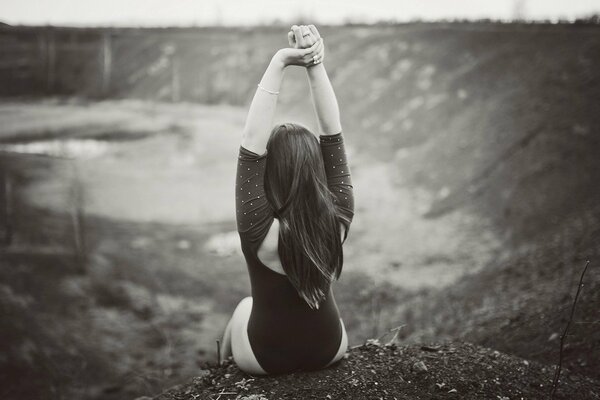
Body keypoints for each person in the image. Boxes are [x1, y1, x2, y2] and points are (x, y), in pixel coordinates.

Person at [219, 24, 354, 375]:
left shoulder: (256, 227)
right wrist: (314, 63)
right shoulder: (338, 214)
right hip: (330, 348)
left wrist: (279, 62)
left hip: (266, 360)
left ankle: (219, 379)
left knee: (243, 309)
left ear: (270, 172)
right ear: (316, 169)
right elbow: (332, 131)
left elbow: (251, 142)